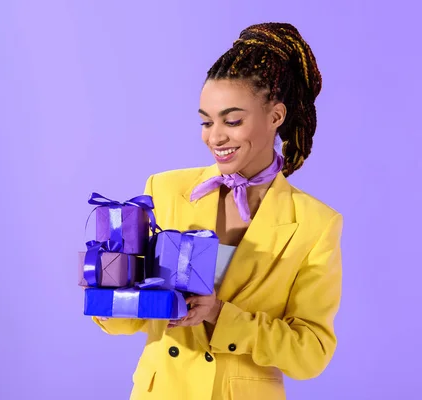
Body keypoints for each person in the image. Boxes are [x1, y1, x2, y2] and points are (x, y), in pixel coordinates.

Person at [92, 22, 343, 400]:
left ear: (276, 116)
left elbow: (311, 353)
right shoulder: (165, 190)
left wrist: (221, 315)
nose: (215, 137)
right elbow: (125, 321)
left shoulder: (315, 224)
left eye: (232, 120)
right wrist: (111, 286)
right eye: (206, 122)